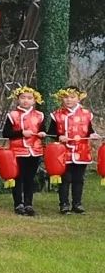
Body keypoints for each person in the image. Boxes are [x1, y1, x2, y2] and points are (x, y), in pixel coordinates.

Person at [47, 86, 100, 214]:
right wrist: (59, 136)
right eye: (66, 97)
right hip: (63, 152)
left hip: (81, 151)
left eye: (72, 97)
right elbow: (51, 133)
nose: (69, 100)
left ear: (78, 98)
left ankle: (77, 203)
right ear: (61, 98)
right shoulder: (57, 115)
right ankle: (64, 204)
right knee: (65, 179)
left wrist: (93, 134)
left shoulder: (86, 114)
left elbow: (89, 130)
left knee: (79, 179)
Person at [1, 86, 46, 216]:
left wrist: (42, 133)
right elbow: (6, 133)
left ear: (34, 101)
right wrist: (21, 133)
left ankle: (28, 204)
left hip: (34, 151)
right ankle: (18, 204)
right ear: (18, 99)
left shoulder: (39, 115)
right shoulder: (12, 115)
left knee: (30, 178)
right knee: (17, 177)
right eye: (23, 98)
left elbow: (43, 130)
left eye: (29, 98)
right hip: (17, 151)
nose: (26, 100)